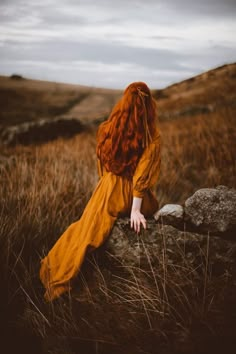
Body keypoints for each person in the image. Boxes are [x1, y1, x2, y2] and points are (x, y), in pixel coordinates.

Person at [39, 81, 161, 302]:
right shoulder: (151, 135)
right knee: (87, 230)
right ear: (149, 105)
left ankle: (53, 269)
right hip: (130, 195)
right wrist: (136, 209)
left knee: (84, 227)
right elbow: (141, 177)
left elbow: (102, 166)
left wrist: (105, 187)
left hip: (106, 187)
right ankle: (62, 278)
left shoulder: (107, 127)